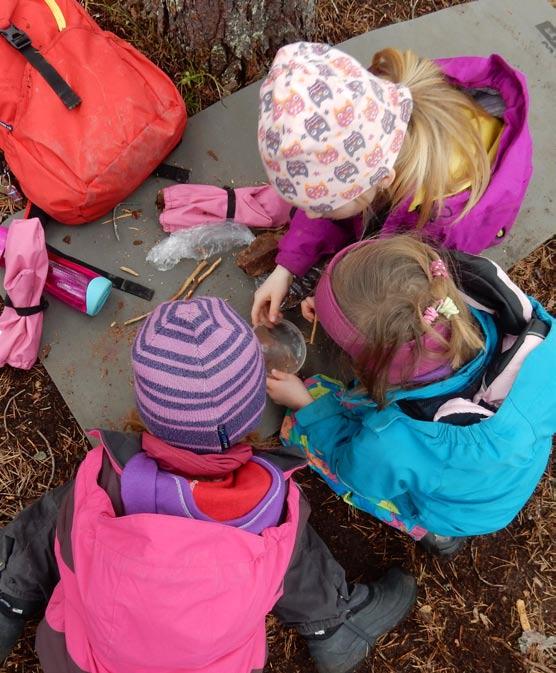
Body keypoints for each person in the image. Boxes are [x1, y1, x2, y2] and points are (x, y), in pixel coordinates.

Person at [0, 297, 417, 673]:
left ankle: (8, 587)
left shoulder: (105, 480)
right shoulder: (272, 505)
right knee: (288, 543)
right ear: (254, 410)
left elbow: (72, 552)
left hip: (80, 661)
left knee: (74, 505)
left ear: (145, 404)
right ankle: (334, 624)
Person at [266, 236, 555, 557]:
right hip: (506, 477)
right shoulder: (504, 321)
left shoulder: (391, 440)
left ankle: (430, 532)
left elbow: (356, 474)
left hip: (453, 512)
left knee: (299, 427)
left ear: (373, 363)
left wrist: (307, 406)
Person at [252, 42, 531, 326]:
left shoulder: (448, 226)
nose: (310, 215)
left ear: (382, 181)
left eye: (323, 207)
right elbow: (339, 197)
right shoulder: (372, 116)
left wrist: (344, 299)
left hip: (454, 220)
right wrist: (285, 268)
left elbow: (411, 283)